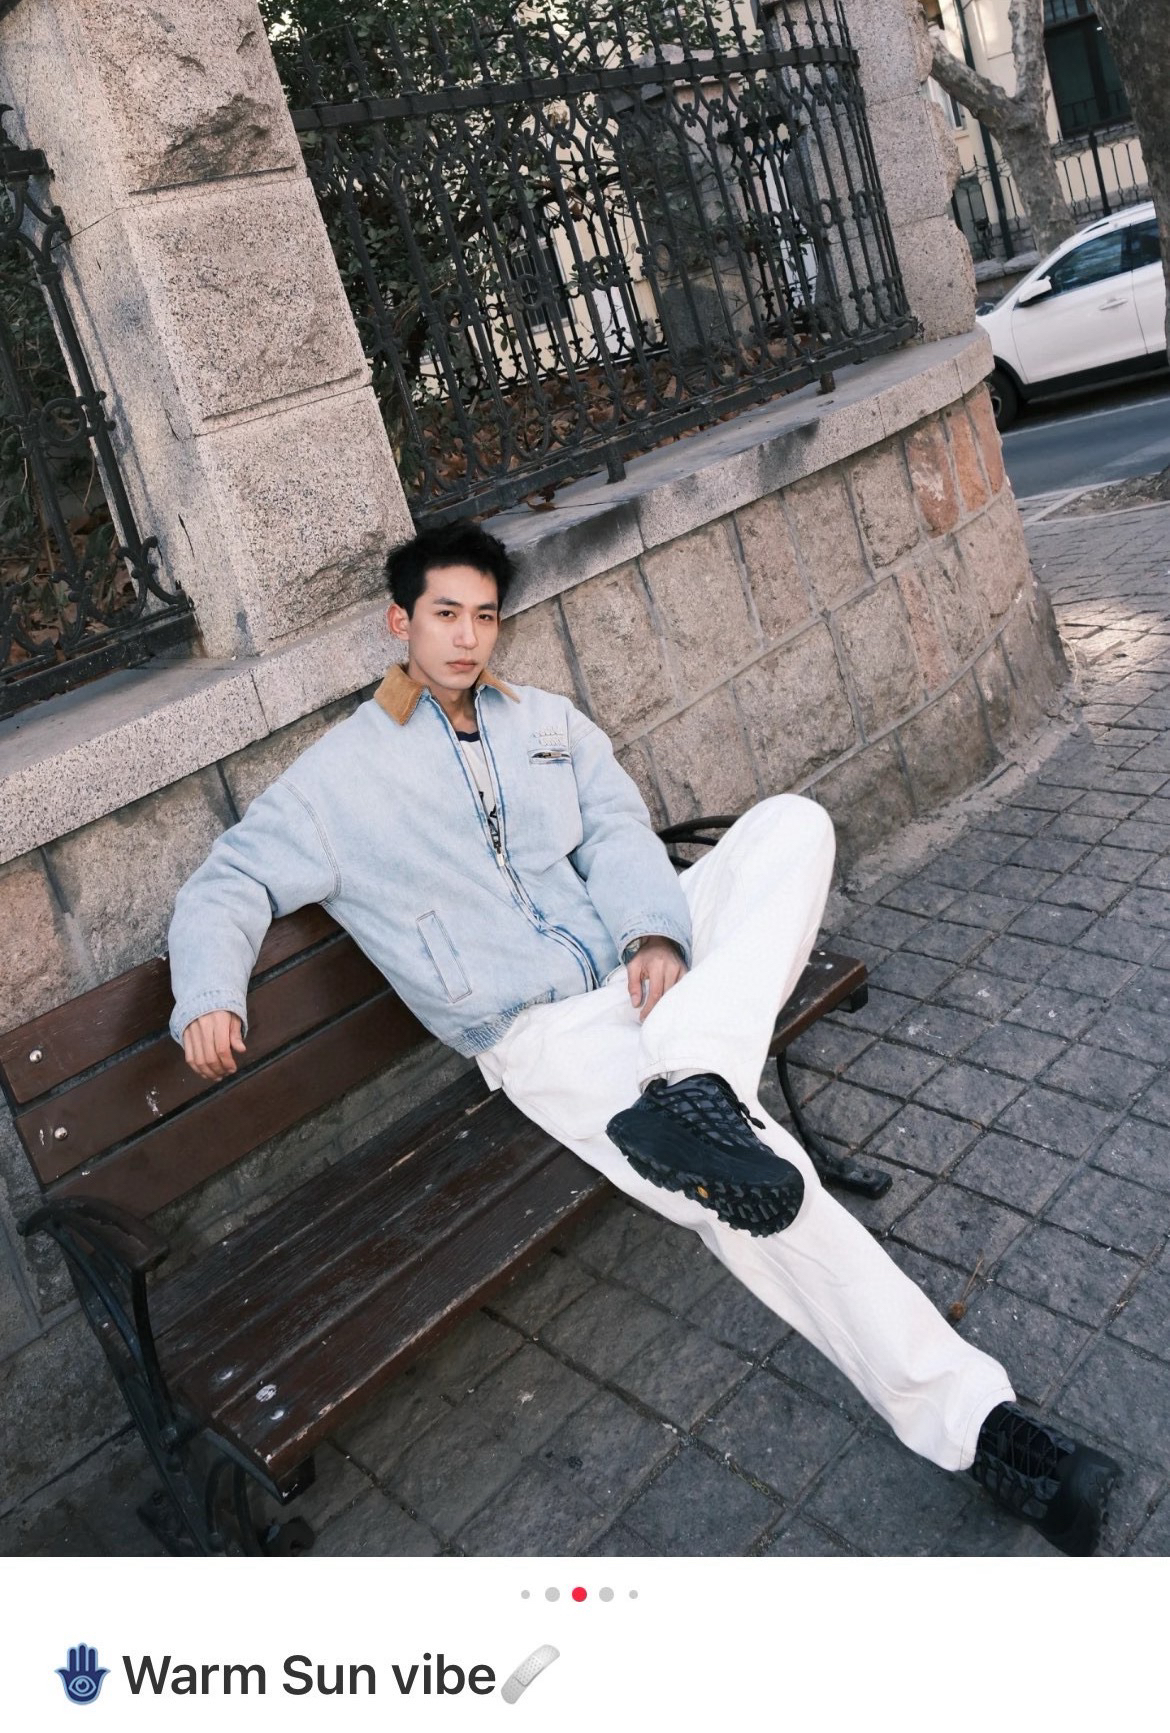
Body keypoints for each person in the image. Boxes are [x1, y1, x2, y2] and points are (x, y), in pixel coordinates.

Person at [170, 521, 1119, 1556]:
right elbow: (232, 877)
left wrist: (656, 931)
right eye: (445, 614)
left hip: (643, 973)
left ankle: (693, 1083)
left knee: (792, 822)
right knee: (757, 1186)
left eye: (486, 616)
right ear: (400, 623)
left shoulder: (545, 721)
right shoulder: (338, 778)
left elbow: (622, 831)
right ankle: (978, 1424)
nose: (468, 637)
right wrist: (210, 993)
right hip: (542, 1030)